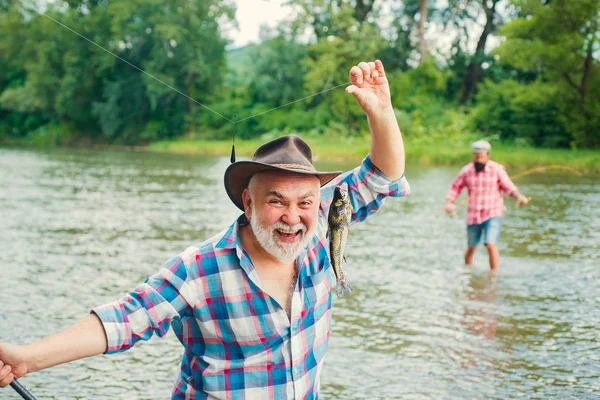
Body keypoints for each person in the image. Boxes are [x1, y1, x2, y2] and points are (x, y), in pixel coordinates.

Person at [0, 60, 410, 399]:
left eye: (304, 202)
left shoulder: (322, 222)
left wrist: (381, 113)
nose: (292, 215)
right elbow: (125, 319)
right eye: (275, 201)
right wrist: (27, 359)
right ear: (248, 203)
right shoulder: (200, 268)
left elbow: (382, 175)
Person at [445, 140, 528, 270]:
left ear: (487, 155)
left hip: (493, 212)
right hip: (473, 215)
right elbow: (455, 188)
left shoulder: (497, 169)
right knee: (472, 247)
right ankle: (467, 271)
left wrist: (519, 197)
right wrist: (449, 203)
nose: (478, 160)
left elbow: (509, 187)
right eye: (476, 157)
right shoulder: (467, 171)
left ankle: (493, 275)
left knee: (490, 244)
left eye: (481, 157)